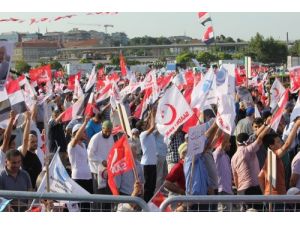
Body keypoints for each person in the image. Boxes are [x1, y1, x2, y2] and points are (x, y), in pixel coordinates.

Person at [231, 119, 270, 211]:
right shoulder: (248, 150)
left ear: (237, 142)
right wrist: (267, 125)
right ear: (247, 142)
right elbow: (259, 138)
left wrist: (239, 191)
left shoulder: (233, 158)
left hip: (241, 190)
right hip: (252, 189)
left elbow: (235, 177)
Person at [259, 118, 300, 195]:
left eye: (280, 141)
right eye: (278, 142)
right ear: (271, 146)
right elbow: (287, 145)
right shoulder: (273, 155)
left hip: (273, 196)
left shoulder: (270, 157)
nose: (281, 143)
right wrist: (296, 125)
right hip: (276, 197)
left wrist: (265, 193)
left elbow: (260, 177)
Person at [67, 117, 93, 211]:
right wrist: (85, 122)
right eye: (83, 131)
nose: (85, 133)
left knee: (87, 207)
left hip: (88, 178)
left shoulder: (84, 145)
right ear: (77, 133)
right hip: (78, 179)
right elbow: (76, 138)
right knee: (80, 207)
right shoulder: (71, 145)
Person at [87, 120, 114, 195]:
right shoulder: (95, 138)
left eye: (109, 131)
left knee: (108, 193)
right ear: (102, 128)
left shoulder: (111, 137)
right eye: (106, 131)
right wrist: (101, 161)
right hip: (97, 170)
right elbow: (90, 154)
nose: (108, 133)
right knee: (99, 193)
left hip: (107, 170)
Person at [19, 111, 42, 189]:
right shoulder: (24, 154)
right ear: (27, 143)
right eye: (32, 142)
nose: (35, 143)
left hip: (36, 190)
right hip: (28, 191)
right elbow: (25, 139)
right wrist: (28, 120)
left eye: (36, 141)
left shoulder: (36, 155)